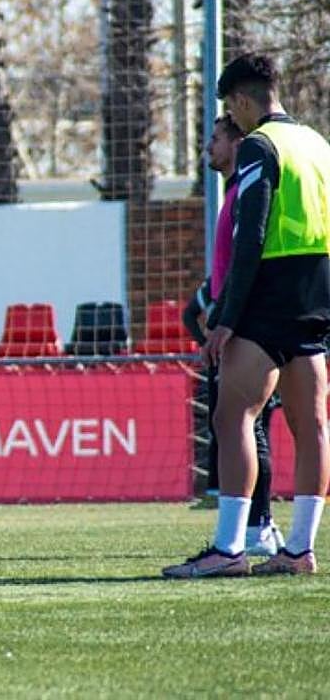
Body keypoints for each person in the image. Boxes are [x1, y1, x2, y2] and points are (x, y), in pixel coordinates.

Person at [164, 53, 330, 578]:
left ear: (239, 100)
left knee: (233, 414)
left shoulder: (259, 145)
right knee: (313, 423)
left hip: (269, 292)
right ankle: (299, 548)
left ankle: (230, 548)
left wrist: (227, 318)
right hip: (317, 292)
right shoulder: (317, 143)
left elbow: (251, 232)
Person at [180, 116, 284, 557]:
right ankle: (255, 527)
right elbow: (225, 264)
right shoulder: (232, 191)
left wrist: (225, 316)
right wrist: (203, 304)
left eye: (216, 139)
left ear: (238, 142)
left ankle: (259, 526)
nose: (208, 147)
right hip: (231, 318)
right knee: (239, 424)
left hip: (247, 322)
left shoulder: (247, 189)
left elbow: (247, 256)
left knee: (249, 424)